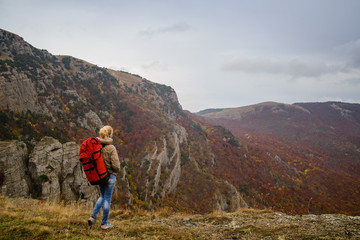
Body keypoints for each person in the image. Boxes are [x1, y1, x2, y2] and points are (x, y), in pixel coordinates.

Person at [88, 125, 121, 230]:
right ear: (110, 134)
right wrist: (117, 170)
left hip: (100, 176)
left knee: (101, 196)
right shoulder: (111, 148)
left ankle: (93, 217)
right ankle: (104, 223)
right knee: (107, 199)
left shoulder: (97, 147)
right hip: (110, 176)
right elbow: (116, 166)